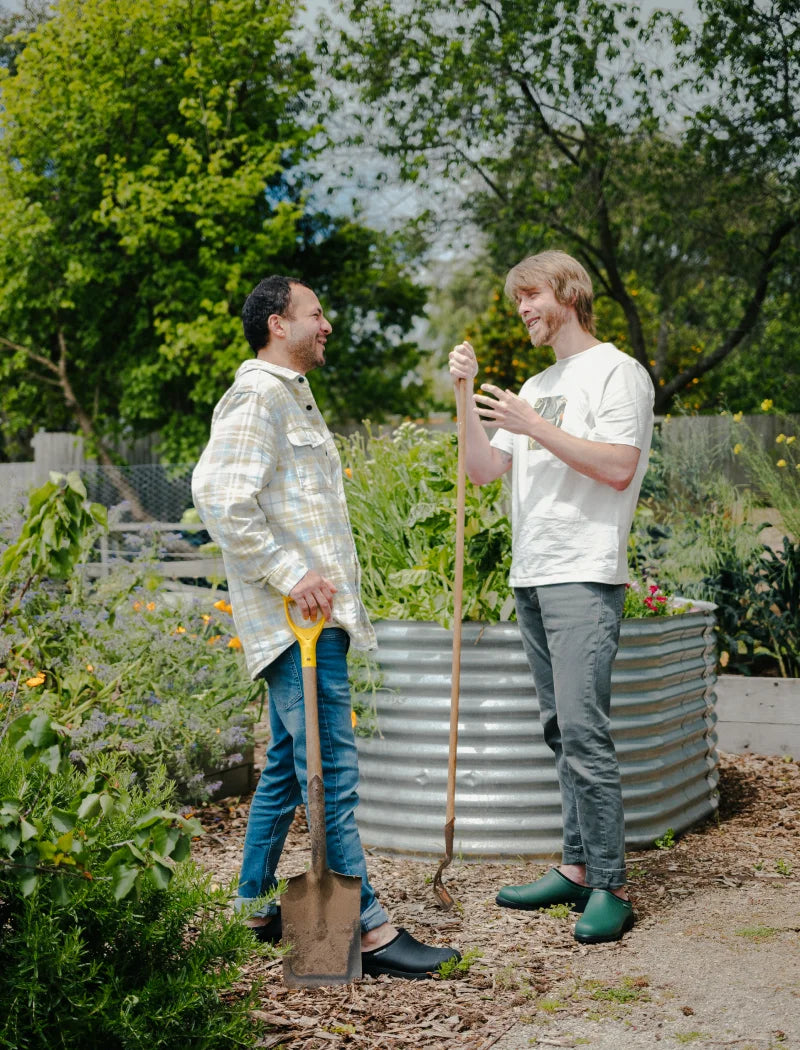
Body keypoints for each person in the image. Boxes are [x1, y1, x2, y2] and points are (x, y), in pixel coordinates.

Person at [192, 275, 460, 978]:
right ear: (279, 324)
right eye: (316, 313)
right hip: (296, 621)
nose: (328, 324)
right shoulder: (257, 396)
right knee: (330, 772)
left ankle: (252, 902)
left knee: (285, 767)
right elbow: (219, 498)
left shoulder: (291, 399)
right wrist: (292, 574)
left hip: (313, 621)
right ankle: (369, 930)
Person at [449, 250, 654, 944]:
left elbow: (619, 467)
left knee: (585, 729)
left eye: (529, 296)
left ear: (566, 292)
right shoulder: (536, 382)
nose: (523, 311)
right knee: (558, 728)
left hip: (584, 570)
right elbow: (482, 472)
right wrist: (466, 394)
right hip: (532, 574)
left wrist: (533, 424)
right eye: (517, 302)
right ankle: (574, 866)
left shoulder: (617, 372)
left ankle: (612, 883)